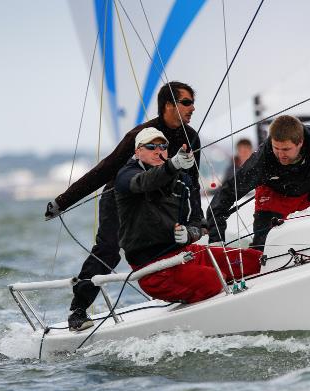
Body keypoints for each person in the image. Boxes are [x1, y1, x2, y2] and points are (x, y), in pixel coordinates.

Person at [44, 81, 201, 331]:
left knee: (178, 239)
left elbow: (191, 182)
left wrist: (198, 226)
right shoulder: (140, 135)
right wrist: (63, 201)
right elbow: (104, 169)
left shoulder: (191, 136)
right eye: (186, 103)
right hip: (121, 196)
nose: (192, 108)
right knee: (108, 250)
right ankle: (78, 310)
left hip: (161, 198)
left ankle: (191, 290)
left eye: (193, 103)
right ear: (168, 106)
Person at [115, 128, 262, 303]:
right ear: (138, 152)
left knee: (254, 261)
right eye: (150, 146)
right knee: (215, 279)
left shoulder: (182, 180)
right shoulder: (126, 176)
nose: (158, 150)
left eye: (162, 146)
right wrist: (173, 165)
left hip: (185, 254)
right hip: (154, 269)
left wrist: (189, 234)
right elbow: (146, 182)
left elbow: (198, 223)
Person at [207, 115, 310, 250]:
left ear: (300, 142)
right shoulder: (262, 160)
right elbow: (224, 197)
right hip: (274, 197)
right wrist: (216, 242)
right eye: (276, 148)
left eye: (286, 149)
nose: (280, 155)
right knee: (263, 252)